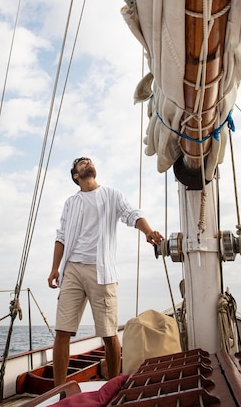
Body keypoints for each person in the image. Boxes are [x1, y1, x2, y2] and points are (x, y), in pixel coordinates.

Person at [47, 157, 163, 386]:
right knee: (62, 331)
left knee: (109, 334)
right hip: (72, 270)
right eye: (81, 162)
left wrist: (148, 231)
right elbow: (61, 236)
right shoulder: (71, 202)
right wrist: (54, 268)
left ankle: (114, 385)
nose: (87, 162)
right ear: (75, 176)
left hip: (102, 272)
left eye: (88, 161)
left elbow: (132, 214)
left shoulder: (111, 195)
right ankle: (58, 391)